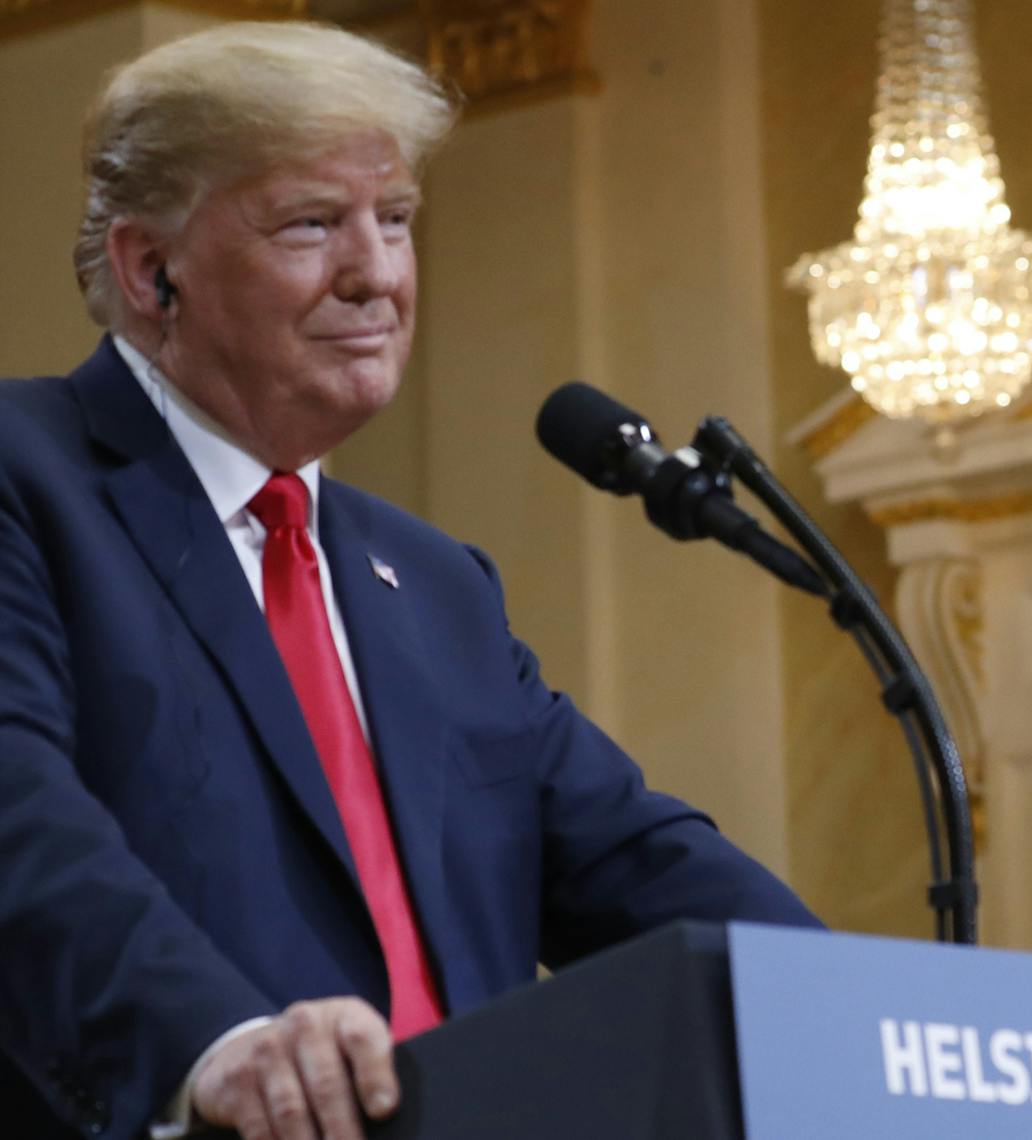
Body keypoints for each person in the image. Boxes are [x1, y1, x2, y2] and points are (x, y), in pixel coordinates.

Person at [0, 23, 820, 1140]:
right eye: (312, 225)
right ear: (153, 271)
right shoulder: (28, 481)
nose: (378, 274)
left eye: (394, 222)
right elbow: (20, 821)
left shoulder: (436, 588)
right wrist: (217, 1045)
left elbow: (635, 859)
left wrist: (879, 1015)